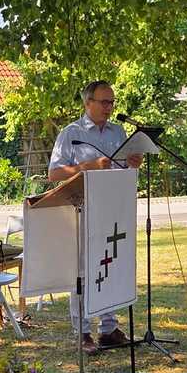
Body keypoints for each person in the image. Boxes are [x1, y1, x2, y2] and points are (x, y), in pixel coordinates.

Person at [48, 80, 142, 353]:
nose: (109, 107)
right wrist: (88, 166)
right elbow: (54, 174)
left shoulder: (118, 131)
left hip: (113, 209)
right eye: (104, 102)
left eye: (112, 102)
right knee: (83, 272)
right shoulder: (71, 133)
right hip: (84, 210)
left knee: (110, 265)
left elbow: (122, 168)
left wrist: (133, 164)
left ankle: (109, 329)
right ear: (88, 103)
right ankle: (83, 332)